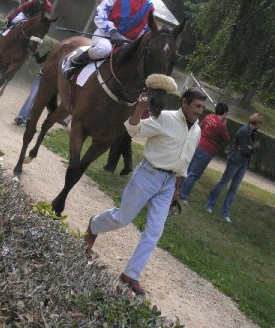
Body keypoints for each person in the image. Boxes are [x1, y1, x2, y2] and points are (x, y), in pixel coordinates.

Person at [82, 87, 206, 295]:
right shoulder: (165, 118)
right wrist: (139, 108)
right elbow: (134, 130)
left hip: (168, 184)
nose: (200, 111)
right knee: (123, 218)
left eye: (203, 107)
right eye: (197, 106)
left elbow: (185, 160)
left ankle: (131, 274)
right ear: (184, 102)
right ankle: (94, 225)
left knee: (155, 231)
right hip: (148, 175)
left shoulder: (196, 130)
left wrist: (177, 188)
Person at [62, 0, 165, 80]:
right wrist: (112, 31)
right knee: (105, 49)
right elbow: (100, 13)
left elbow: (144, 32)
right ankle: (74, 62)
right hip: (105, 36)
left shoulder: (150, 7)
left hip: (127, 45)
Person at [205, 112, 263, 222]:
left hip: (244, 162)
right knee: (223, 183)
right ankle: (210, 204)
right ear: (257, 122)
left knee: (234, 188)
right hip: (235, 160)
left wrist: (252, 148)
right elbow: (246, 149)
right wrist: (252, 148)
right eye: (261, 123)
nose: (261, 126)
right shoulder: (243, 131)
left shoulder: (254, 133)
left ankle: (225, 211)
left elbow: (254, 148)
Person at [180, 102, 230, 203]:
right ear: (224, 113)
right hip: (207, 150)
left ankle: (177, 188)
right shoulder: (221, 125)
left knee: (187, 168)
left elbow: (200, 126)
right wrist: (225, 125)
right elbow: (227, 138)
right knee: (194, 174)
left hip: (197, 143)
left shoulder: (209, 116)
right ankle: (183, 195)